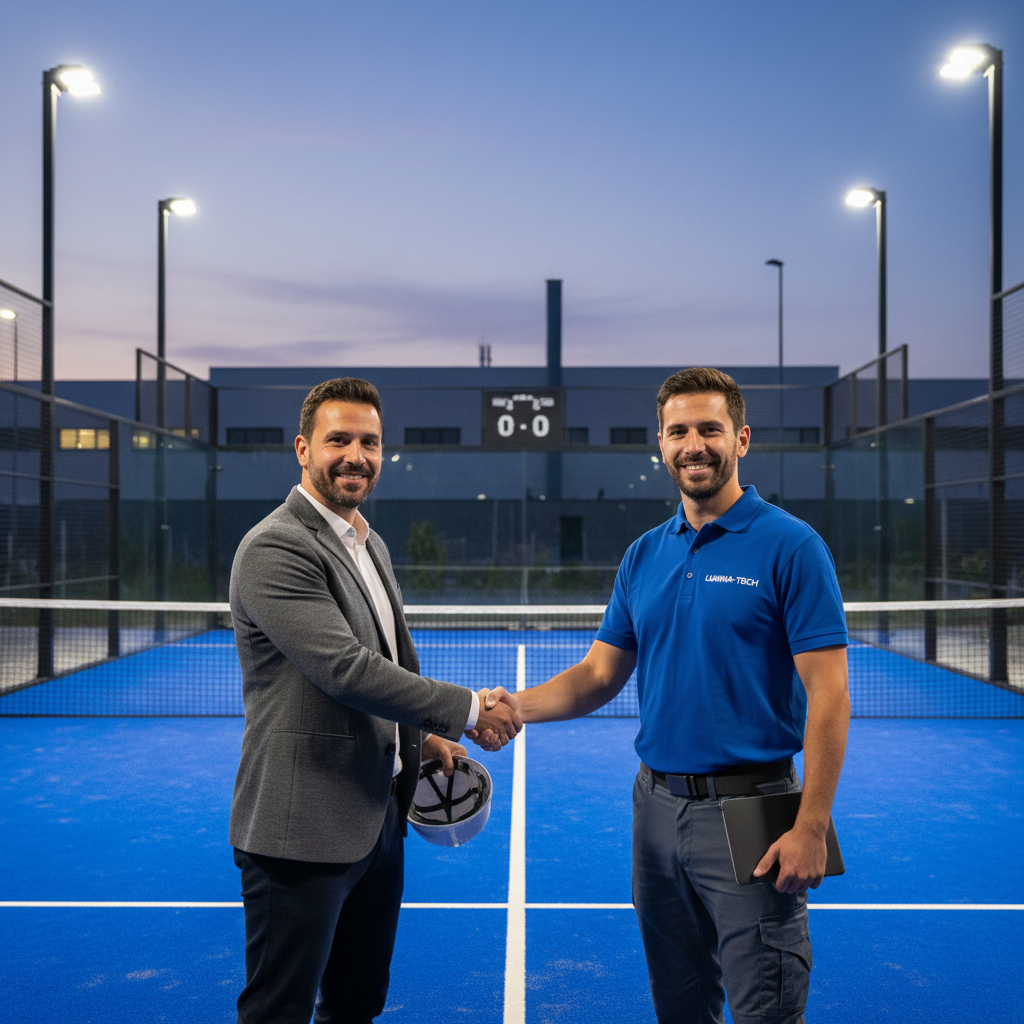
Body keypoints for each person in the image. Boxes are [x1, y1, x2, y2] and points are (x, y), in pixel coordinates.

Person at [474, 367, 850, 1024]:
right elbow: (598, 675)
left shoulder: (792, 547)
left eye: (709, 428)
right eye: (679, 431)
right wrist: (510, 708)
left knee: (766, 1009)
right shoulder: (644, 555)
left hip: (753, 813)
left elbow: (831, 696)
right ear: (661, 442)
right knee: (679, 1007)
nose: (693, 444)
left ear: (741, 438)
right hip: (654, 811)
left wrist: (811, 826)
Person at [228, 376, 521, 1024]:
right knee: (279, 1009)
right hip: (300, 830)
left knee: (358, 1002)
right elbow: (345, 670)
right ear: (303, 449)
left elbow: (383, 666)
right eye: (339, 440)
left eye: (369, 442)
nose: (355, 455)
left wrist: (423, 739)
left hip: (377, 822)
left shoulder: (368, 542)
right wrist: (469, 711)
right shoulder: (275, 546)